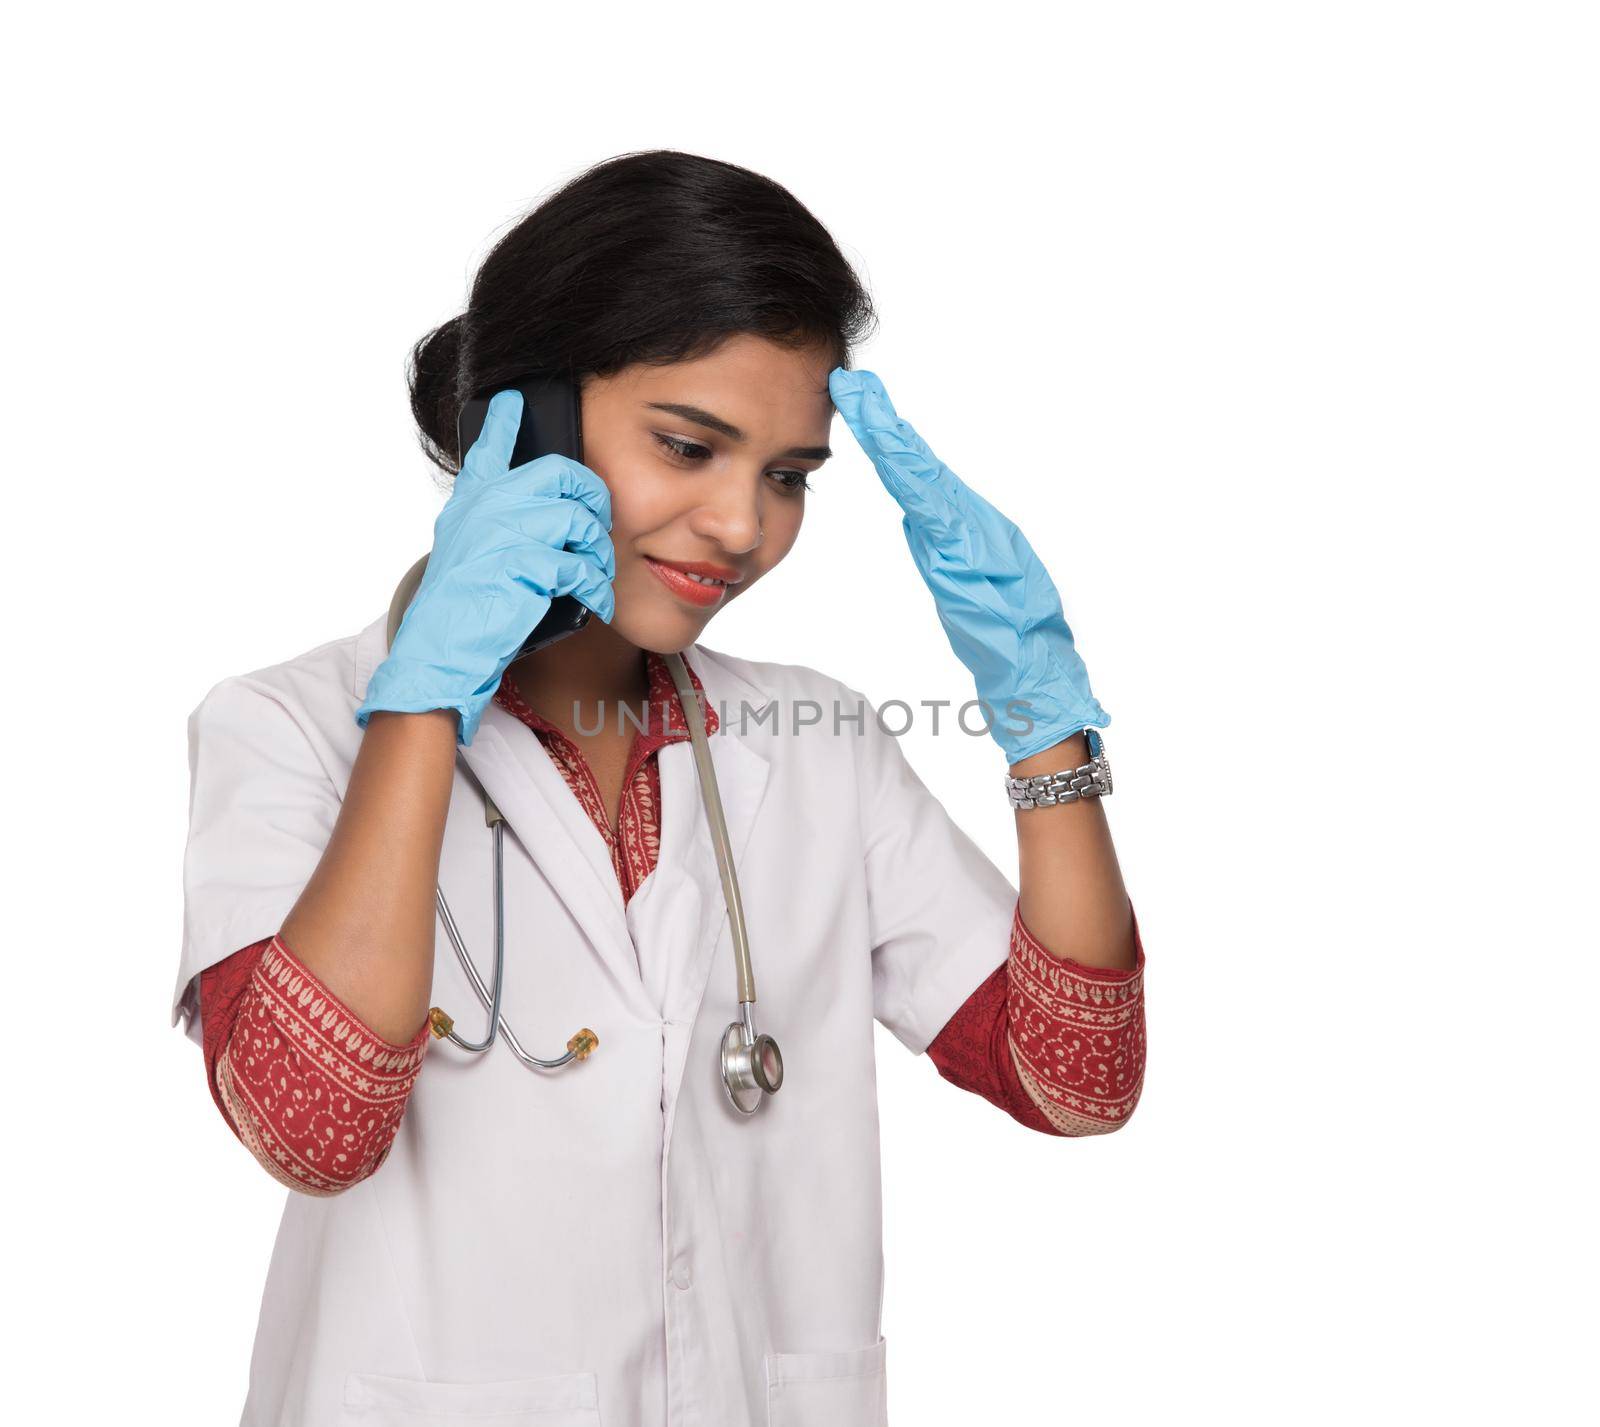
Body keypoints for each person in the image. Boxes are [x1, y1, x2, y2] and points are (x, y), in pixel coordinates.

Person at [171, 149, 1146, 1427]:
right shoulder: (285, 726)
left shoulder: (813, 740)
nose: (743, 525)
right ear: (529, 419)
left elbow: (1075, 1078)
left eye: (789, 475)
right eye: (690, 445)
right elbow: (311, 1128)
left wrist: (1044, 725)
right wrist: (418, 707)